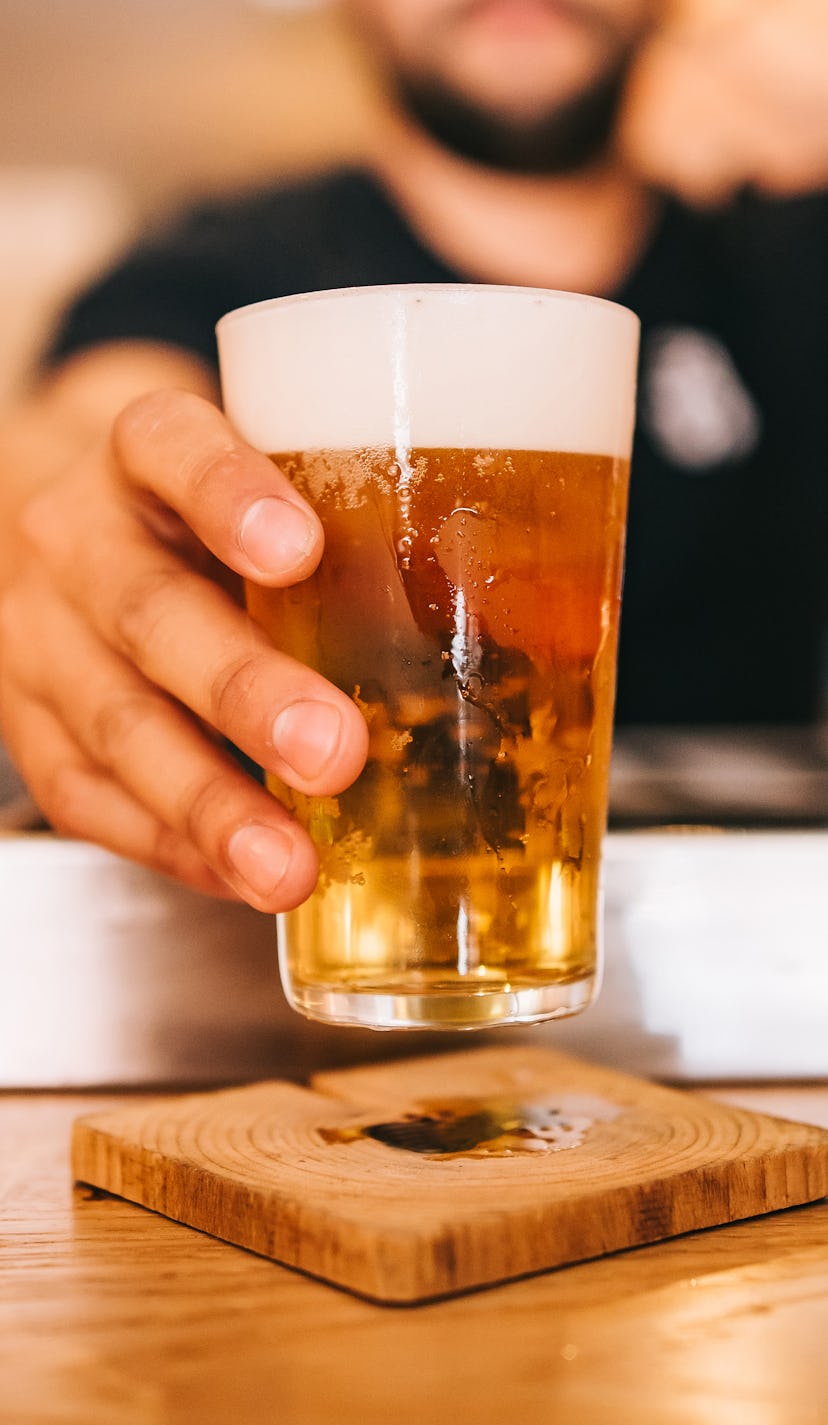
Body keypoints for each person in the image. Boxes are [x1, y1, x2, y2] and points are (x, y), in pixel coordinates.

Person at [0, 0, 826, 914]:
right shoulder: (218, 268)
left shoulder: (788, 265)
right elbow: (88, 433)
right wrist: (52, 540)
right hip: (325, 948)